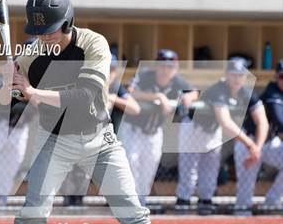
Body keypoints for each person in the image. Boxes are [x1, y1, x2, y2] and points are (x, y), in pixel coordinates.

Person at [0, 0, 189, 224]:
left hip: (98, 140)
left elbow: (85, 96)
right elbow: (2, 102)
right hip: (54, 141)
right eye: (38, 31)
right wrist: (8, 85)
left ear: (67, 22)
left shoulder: (93, 43)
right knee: (33, 215)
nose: (44, 37)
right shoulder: (32, 54)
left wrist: (32, 92)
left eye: (50, 30)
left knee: (132, 210)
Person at [176, 58, 269, 215]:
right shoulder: (218, 90)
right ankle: (182, 206)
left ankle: (205, 204)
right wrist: (250, 145)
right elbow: (225, 122)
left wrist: (257, 148)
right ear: (226, 74)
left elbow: (263, 121)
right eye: (233, 74)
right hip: (193, 128)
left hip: (213, 130)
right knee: (189, 174)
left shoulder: (246, 93)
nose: (237, 78)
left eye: (240, 75)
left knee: (210, 172)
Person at [62, 50, 140, 206]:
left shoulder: (116, 88)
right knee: (76, 179)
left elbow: (135, 108)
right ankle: (72, 204)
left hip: (105, 141)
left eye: (111, 69)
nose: (108, 73)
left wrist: (112, 98)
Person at [121, 49, 198, 206]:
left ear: (175, 68)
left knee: (148, 171)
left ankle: (139, 203)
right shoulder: (145, 75)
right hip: (133, 130)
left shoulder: (176, 81)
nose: (166, 70)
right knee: (131, 166)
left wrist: (188, 96)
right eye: (162, 66)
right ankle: (126, 202)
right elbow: (130, 91)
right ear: (156, 65)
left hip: (154, 132)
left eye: (170, 67)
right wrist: (158, 97)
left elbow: (194, 91)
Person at [234, 60, 283, 213]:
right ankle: (242, 217)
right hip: (249, 144)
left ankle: (273, 200)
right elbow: (280, 121)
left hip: (268, 143)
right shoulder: (271, 92)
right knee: (245, 194)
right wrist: (254, 148)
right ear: (276, 77)